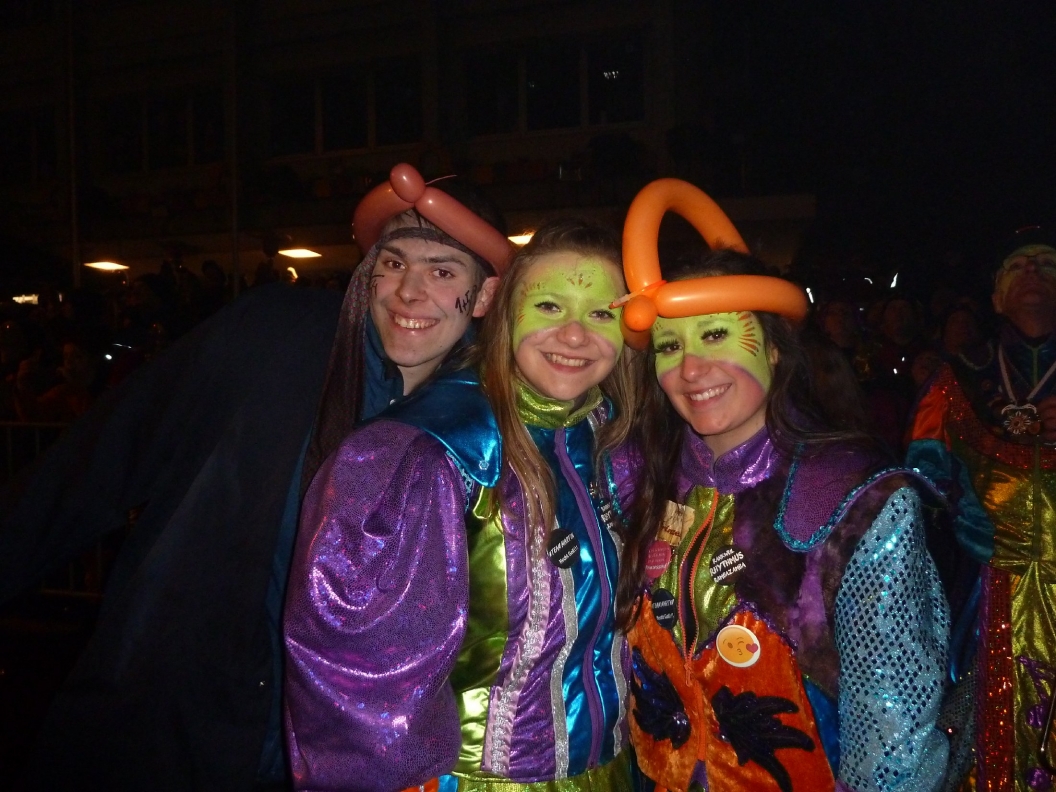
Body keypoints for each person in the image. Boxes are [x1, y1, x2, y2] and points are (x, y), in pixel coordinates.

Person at [0, 163, 509, 791]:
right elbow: (103, 456)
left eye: (443, 272)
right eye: (394, 262)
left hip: (323, 760)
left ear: (483, 296)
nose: (409, 291)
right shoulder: (272, 338)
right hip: (167, 721)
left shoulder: (478, 430)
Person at [615, 180, 951, 792]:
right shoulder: (638, 479)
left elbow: (894, 735)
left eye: (715, 335)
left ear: (773, 350)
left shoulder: (853, 497)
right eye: (668, 345)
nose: (690, 369)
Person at [284, 219, 639, 790]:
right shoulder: (427, 454)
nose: (574, 336)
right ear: (504, 312)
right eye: (549, 306)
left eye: (600, 313)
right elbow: (357, 683)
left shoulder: (616, 441)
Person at [906, 225, 1056, 792]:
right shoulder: (957, 377)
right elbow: (920, 482)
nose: (1033, 272)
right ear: (996, 296)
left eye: (1047, 263)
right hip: (987, 589)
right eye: (1019, 265)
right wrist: (961, 513)